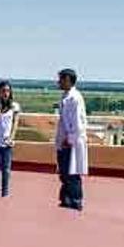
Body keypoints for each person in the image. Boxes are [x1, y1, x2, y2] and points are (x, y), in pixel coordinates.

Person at [55, 69, 88, 210]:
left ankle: (75, 200)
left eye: (61, 79)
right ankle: (66, 199)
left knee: (72, 172)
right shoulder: (66, 96)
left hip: (71, 141)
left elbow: (77, 121)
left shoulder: (75, 98)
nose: (59, 82)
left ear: (68, 80)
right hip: (64, 140)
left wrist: (70, 139)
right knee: (64, 171)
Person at [0, 81, 21, 197]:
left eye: (7, 90)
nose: (5, 93)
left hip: (6, 143)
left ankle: (5, 193)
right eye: (3, 91)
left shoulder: (15, 106)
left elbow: (15, 123)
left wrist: (11, 138)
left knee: (6, 170)